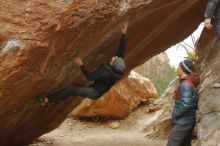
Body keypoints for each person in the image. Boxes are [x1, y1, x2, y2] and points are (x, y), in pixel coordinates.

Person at [37, 23, 128, 105]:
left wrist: (81, 64)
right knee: (73, 89)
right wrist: (124, 33)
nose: (115, 56)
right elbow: (121, 50)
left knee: (71, 89)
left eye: (115, 58)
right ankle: (59, 97)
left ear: (113, 64)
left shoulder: (106, 71)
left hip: (94, 92)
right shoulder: (118, 68)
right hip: (98, 86)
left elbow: (90, 77)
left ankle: (47, 99)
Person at [167, 60, 200, 146]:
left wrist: (175, 115)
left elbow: (186, 104)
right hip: (188, 120)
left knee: (172, 144)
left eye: (179, 67)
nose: (177, 69)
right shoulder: (189, 83)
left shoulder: (185, 84)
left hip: (183, 122)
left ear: (183, 69)